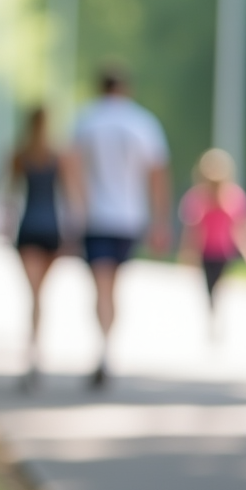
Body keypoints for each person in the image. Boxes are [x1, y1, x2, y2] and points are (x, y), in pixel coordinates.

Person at [71, 66, 171, 389]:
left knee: (101, 286)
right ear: (126, 88)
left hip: (96, 218)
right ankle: (108, 349)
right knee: (114, 286)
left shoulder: (86, 121)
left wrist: (77, 210)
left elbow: (70, 169)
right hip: (130, 219)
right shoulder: (143, 122)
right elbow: (157, 174)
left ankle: (102, 349)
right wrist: (160, 221)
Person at [3, 107, 76, 390]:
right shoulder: (57, 156)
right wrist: (72, 233)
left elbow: (9, 195)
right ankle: (37, 353)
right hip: (51, 228)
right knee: (41, 295)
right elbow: (70, 197)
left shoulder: (20, 155)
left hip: (30, 228)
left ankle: (33, 354)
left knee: (33, 295)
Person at [179, 148, 246, 339]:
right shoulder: (198, 198)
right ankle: (212, 316)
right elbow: (193, 229)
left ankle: (216, 316)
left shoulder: (234, 197)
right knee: (209, 287)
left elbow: (244, 227)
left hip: (224, 252)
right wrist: (188, 251)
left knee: (219, 286)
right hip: (206, 252)